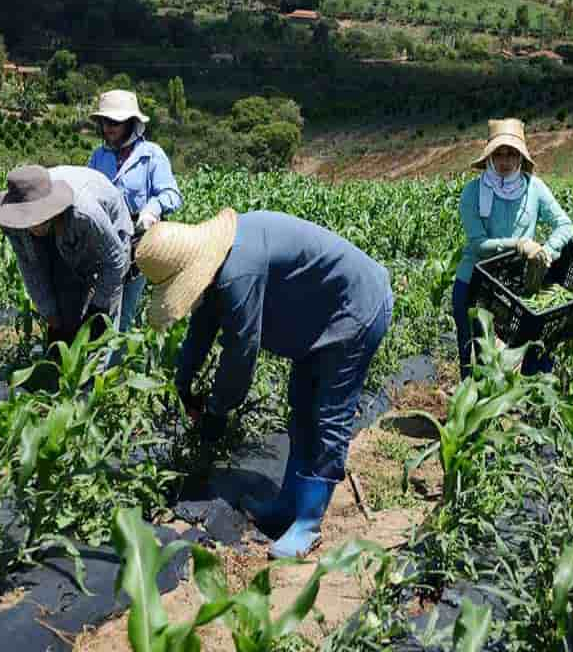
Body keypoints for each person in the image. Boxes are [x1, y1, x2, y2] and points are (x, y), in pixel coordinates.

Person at [134, 209, 393, 559]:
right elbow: (202, 327)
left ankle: (309, 522)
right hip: (316, 318)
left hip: (356, 308)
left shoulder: (238, 270)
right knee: (301, 407)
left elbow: (241, 352)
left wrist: (217, 412)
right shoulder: (220, 260)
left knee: (329, 415)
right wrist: (183, 382)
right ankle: (287, 505)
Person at [453, 118, 573, 380]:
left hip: (516, 287)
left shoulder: (534, 188)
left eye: (511, 153)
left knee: (534, 351)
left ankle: (525, 406)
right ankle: (473, 411)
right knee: (473, 359)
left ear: (521, 156)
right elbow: (479, 245)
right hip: (474, 282)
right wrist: (519, 245)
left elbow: (565, 225)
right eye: (499, 153)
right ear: (489, 156)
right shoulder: (473, 192)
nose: (505, 160)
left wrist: (547, 252)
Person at [0, 165, 132, 353]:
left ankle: (94, 374)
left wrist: (97, 308)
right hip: (63, 241)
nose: (31, 224)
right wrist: (49, 312)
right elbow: (30, 265)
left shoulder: (84, 214)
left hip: (105, 240)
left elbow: (115, 260)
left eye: (36, 217)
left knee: (97, 332)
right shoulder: (13, 221)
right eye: (26, 218)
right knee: (63, 321)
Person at [87, 90, 182, 335]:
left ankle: (116, 369)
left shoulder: (151, 155)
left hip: (136, 245)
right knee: (98, 313)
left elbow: (172, 194)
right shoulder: (98, 156)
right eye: (105, 122)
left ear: (131, 123)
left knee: (123, 316)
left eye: (115, 123)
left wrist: (152, 209)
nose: (108, 128)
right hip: (101, 243)